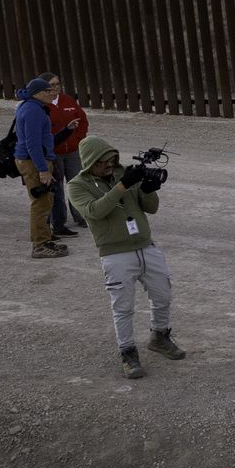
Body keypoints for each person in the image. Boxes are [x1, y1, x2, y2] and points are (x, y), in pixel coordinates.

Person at [66, 135, 186, 380]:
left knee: (163, 294)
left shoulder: (124, 173)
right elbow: (95, 211)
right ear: (90, 163)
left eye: (112, 161)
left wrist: (149, 190)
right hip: (114, 253)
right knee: (123, 307)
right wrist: (123, 186)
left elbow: (150, 207)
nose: (110, 167)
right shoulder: (77, 185)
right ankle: (128, 352)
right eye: (103, 164)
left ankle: (160, 336)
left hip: (146, 246)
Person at [12, 77, 68, 259]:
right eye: (48, 90)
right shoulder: (33, 111)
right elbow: (33, 144)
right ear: (37, 93)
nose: (52, 92)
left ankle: (44, 239)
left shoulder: (30, 107)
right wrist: (43, 169)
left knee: (45, 201)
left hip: (33, 160)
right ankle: (40, 245)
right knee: (40, 203)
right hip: (34, 161)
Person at [40, 72, 89, 238]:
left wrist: (79, 139)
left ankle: (81, 216)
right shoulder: (42, 104)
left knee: (78, 183)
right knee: (57, 189)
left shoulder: (67, 100)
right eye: (51, 85)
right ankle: (58, 222)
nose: (55, 88)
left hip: (73, 151)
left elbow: (82, 120)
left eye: (57, 84)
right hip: (55, 153)